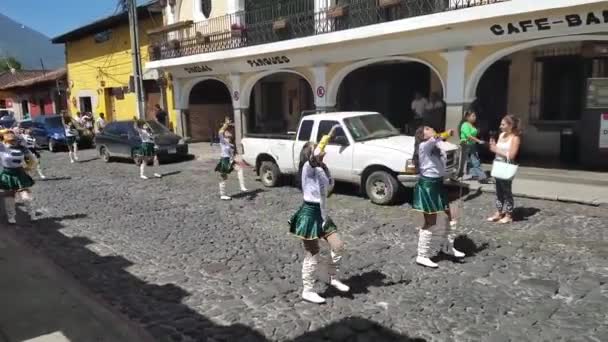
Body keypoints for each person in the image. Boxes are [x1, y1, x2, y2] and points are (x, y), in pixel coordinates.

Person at [288, 125, 349, 304]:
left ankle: (330, 276)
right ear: (310, 154)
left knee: (338, 246)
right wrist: (327, 136)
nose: (322, 151)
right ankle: (308, 290)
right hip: (309, 214)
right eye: (317, 148)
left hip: (322, 214)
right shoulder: (308, 167)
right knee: (313, 253)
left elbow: (328, 189)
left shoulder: (322, 168)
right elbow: (315, 156)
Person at [412, 126, 465, 268]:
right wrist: (447, 133)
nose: (432, 129)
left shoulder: (436, 146)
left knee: (451, 215)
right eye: (428, 128)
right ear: (423, 135)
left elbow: (445, 161)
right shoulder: (424, 145)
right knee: (431, 221)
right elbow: (435, 138)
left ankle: (448, 247)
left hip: (438, 184)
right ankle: (422, 255)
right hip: (428, 187)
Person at [488, 114, 521, 224]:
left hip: (506, 166)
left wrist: (495, 149)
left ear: (510, 125)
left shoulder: (515, 138)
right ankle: (499, 211)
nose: (500, 126)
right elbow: (497, 150)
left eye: (503, 124)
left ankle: (509, 214)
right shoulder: (501, 135)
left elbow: (511, 155)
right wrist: (493, 146)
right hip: (498, 165)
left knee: (507, 191)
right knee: (498, 191)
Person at [0, 131, 36, 224]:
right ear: (4, 139)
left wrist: (29, 167)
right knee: (9, 197)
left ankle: (32, 213)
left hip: (19, 173)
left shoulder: (22, 148)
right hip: (7, 174)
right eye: (10, 140)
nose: (12, 141)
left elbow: (32, 159)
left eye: (13, 139)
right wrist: (4, 131)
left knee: (25, 196)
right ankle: (11, 217)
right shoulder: (1, 147)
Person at [215, 117, 247, 200]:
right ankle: (223, 194)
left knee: (240, 169)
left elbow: (233, 153)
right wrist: (226, 124)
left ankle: (242, 187)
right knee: (223, 177)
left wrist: (236, 159)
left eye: (230, 131)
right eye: (228, 132)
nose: (230, 133)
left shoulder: (231, 144)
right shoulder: (222, 141)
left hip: (230, 160)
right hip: (224, 160)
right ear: (225, 133)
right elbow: (220, 132)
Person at [459, 111, 487, 182]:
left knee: (475, 160)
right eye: (473, 116)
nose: (475, 117)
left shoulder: (472, 125)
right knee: (465, 161)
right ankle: (465, 175)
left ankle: (478, 176)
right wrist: (478, 141)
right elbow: (468, 136)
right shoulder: (465, 125)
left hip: (472, 145)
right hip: (466, 145)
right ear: (467, 117)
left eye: (475, 116)